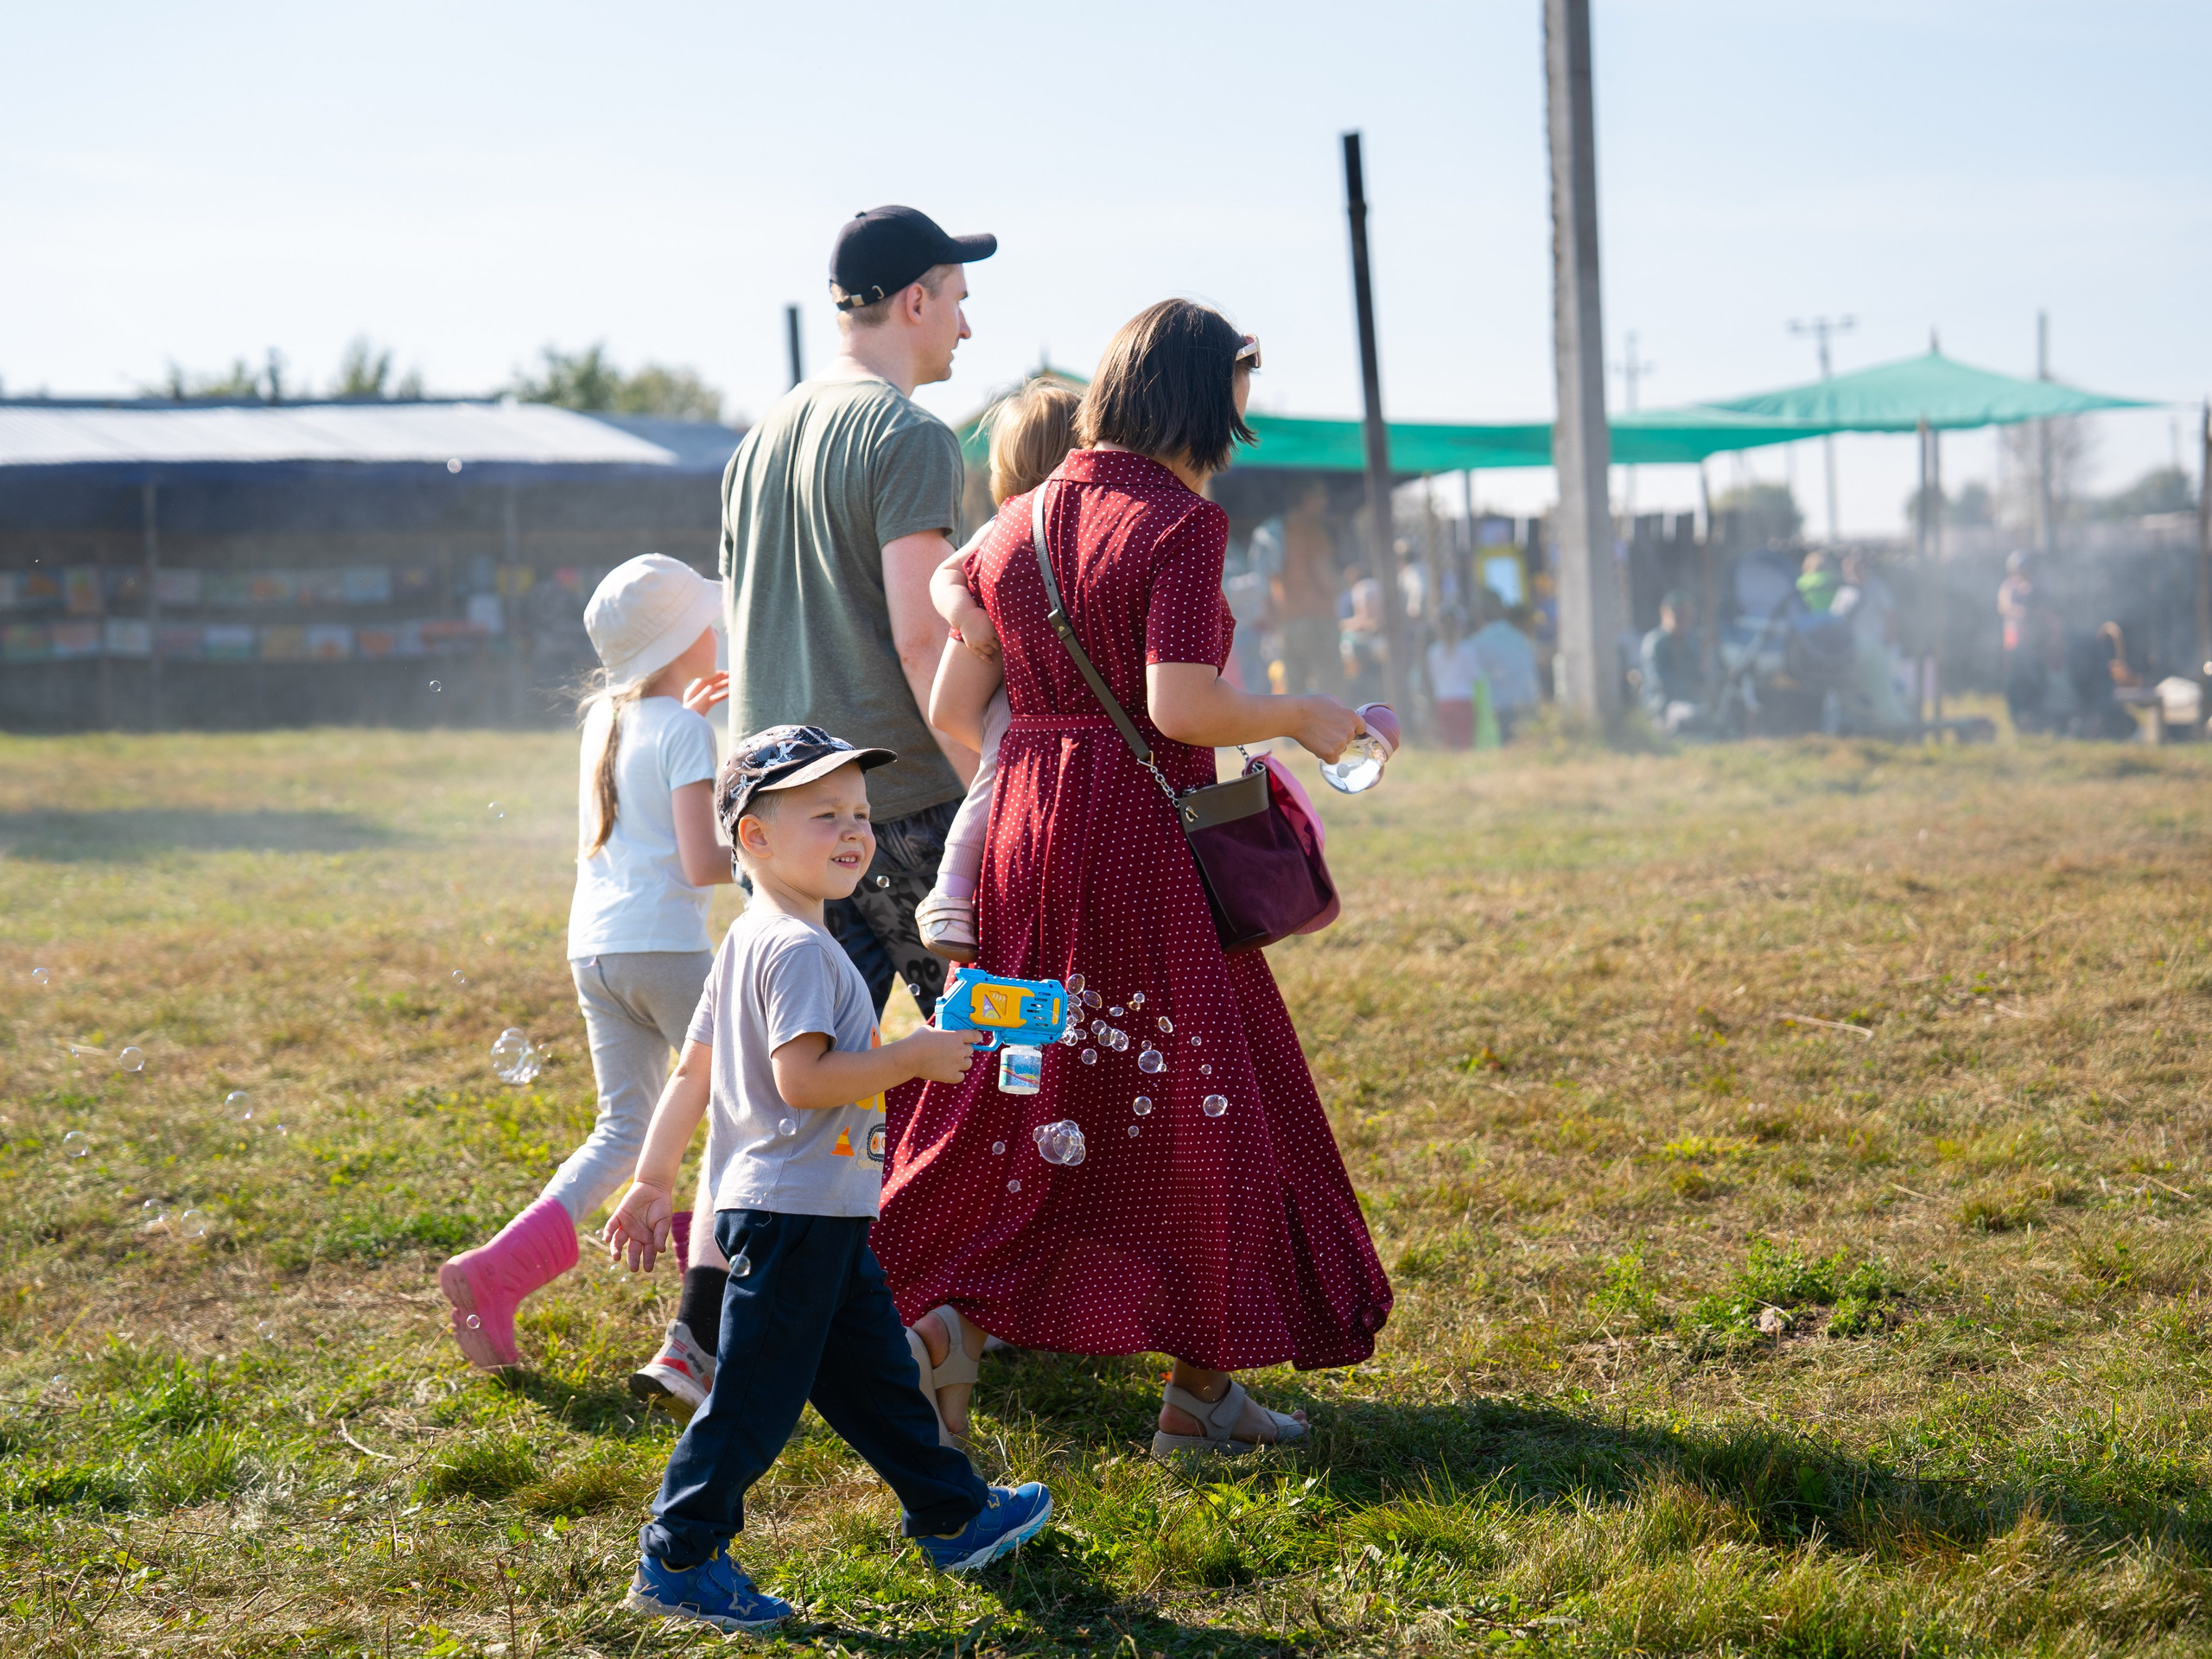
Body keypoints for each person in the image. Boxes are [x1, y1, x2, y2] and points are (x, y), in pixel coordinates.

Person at [874, 299, 1394, 1458]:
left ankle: (937, 1313)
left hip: (1022, 832)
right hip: (1139, 845)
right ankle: (1200, 1399)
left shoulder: (1016, 524)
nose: (1240, 427)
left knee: (1016, 1080)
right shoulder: (1182, 523)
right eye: (1237, 402)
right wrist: (1307, 715)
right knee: (1217, 1097)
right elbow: (1179, 706)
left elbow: (958, 711)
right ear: (1202, 399)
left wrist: (1043, 783)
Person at [603, 726, 1053, 1633]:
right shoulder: (805, 953)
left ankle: (952, 1512)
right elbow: (801, 1081)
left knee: (874, 1377)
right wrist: (913, 1056)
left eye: (858, 814)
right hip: (794, 1211)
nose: (853, 832)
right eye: (822, 816)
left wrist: (654, 1179)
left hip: (812, 1208)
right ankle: (679, 1556)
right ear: (753, 839)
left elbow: (693, 1072)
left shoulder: (750, 940)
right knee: (756, 1401)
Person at [438, 555, 737, 1389]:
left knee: (627, 1128)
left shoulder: (609, 718)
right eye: (706, 623)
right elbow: (700, 861)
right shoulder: (685, 730)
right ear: (688, 638)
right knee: (737, 1107)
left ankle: (498, 1270)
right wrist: (772, 853)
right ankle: (708, 1319)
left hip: (596, 949)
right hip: (668, 952)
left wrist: (693, 714)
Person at [720, 204, 996, 1022]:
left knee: (808, 1081)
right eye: (957, 299)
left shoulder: (756, 441)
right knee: (988, 1054)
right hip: (892, 805)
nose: (967, 328)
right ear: (916, 302)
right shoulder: (910, 435)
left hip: (772, 810)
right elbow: (924, 641)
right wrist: (990, 782)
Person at [911, 378, 1082, 963]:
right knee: (995, 771)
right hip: (1013, 698)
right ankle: (951, 894)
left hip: (1049, 700)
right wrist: (968, 616)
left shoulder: (1061, 528)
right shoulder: (1009, 526)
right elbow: (944, 576)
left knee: (999, 772)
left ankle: (957, 892)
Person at [1270, 480, 1343, 696]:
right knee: (1329, 688)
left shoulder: (1279, 530)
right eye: (1320, 497)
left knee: (1294, 690)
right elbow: (1326, 579)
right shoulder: (1312, 531)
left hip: (1288, 621)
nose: (1325, 503)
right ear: (1306, 499)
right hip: (1317, 620)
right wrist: (1343, 583)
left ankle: (1293, 732)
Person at [1471, 594, 1539, 741]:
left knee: (1511, 749)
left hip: (1504, 704)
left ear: (1478, 615)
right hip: (1529, 698)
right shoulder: (1519, 635)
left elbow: (1473, 675)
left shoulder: (1479, 641)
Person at [1637, 589, 1702, 734]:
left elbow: (1698, 675)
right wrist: (1691, 689)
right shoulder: (1655, 643)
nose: (1682, 620)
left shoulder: (1691, 642)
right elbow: (1661, 683)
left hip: (1688, 700)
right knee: (1688, 717)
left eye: (1687, 616)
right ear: (1665, 613)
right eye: (1678, 615)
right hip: (1661, 704)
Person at [1426, 607, 1482, 749]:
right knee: (1465, 743)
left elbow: (1432, 678)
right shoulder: (1467, 649)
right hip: (1464, 699)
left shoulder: (1434, 651)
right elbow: (1475, 676)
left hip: (1443, 701)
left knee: (1448, 744)